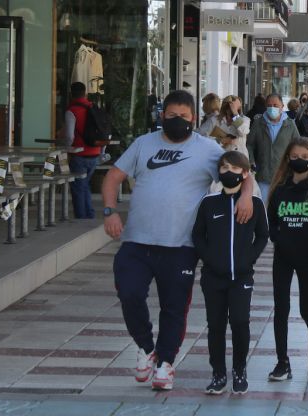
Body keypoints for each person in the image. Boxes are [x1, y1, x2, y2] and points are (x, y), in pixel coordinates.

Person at [102, 90, 255, 391]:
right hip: (137, 241)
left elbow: (242, 171)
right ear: (162, 117)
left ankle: (165, 364)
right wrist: (109, 212)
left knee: (174, 308)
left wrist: (246, 198)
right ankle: (146, 347)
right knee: (129, 293)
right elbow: (112, 178)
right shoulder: (143, 143)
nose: (177, 122)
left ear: (194, 119)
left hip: (181, 246)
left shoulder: (207, 148)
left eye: (184, 117)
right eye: (171, 116)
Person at [192, 151, 268, 395]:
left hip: (241, 278)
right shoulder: (209, 202)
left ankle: (239, 370)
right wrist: (209, 258)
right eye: (223, 167)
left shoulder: (254, 204)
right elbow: (197, 235)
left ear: (245, 174)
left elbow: (263, 235)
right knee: (215, 325)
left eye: (233, 168)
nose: (227, 172)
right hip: (213, 277)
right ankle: (218, 373)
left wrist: (249, 258)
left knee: (239, 322)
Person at [267, 138, 308, 381]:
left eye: (305, 157)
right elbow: (271, 221)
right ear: (287, 158)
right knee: (281, 309)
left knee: (307, 309)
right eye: (295, 156)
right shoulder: (279, 190)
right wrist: (278, 237)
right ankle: (282, 362)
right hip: (283, 257)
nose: (299, 161)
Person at [246, 93, 301, 201]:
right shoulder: (258, 124)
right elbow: (249, 144)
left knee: (280, 210)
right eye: (269, 105)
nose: (272, 108)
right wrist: (251, 160)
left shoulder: (290, 125)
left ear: (282, 107)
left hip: (283, 177)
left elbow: (298, 145)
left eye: (275, 105)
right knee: (265, 209)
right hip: (263, 176)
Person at [63, 81, 102, 219]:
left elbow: (69, 136)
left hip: (79, 154)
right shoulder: (93, 107)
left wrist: (66, 149)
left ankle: (81, 218)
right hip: (95, 152)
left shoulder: (71, 110)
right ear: (85, 93)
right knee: (85, 185)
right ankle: (89, 215)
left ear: (71, 93)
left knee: (78, 188)